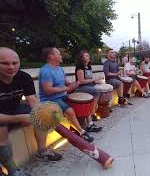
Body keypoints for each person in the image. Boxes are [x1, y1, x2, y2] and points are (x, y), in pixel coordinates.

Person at [0, 47, 62, 176]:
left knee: (40, 116)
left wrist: (42, 115)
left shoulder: (24, 77)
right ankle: (12, 170)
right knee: (1, 130)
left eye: (14, 63)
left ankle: (42, 151)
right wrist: (18, 119)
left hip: (15, 108)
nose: (11, 67)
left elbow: (32, 99)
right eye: (5, 63)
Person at [38, 47, 94, 142]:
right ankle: (81, 132)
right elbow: (48, 90)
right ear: (51, 56)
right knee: (70, 110)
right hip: (50, 98)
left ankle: (87, 125)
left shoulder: (59, 69)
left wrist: (73, 84)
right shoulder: (46, 71)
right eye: (58, 54)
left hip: (61, 95)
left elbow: (65, 82)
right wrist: (67, 88)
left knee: (82, 103)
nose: (61, 55)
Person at [74, 50, 103, 132]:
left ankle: (91, 119)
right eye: (86, 56)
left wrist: (96, 81)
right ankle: (92, 112)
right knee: (96, 91)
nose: (88, 57)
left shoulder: (89, 67)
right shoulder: (80, 68)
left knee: (98, 88)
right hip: (81, 87)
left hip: (89, 86)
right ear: (81, 58)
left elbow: (90, 80)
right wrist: (95, 79)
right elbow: (81, 81)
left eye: (88, 55)